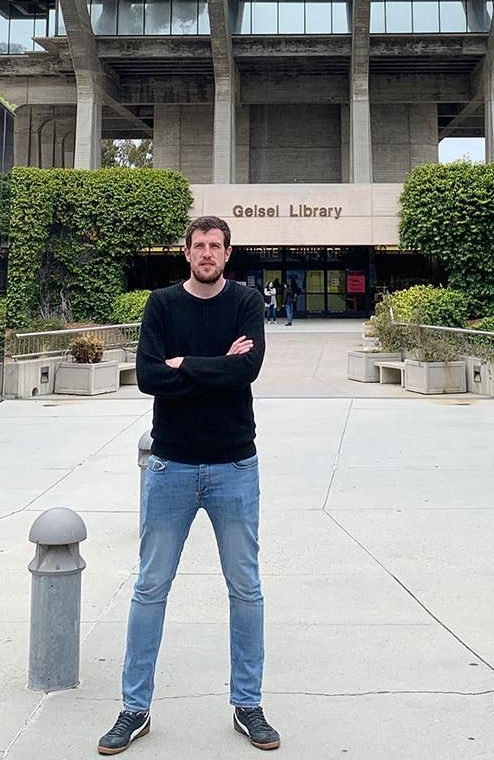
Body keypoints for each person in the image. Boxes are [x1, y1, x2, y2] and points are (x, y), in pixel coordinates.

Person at [98, 215, 278, 755]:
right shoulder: (161, 304)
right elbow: (149, 378)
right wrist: (216, 365)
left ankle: (248, 704)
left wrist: (184, 366)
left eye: (214, 246)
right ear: (186, 253)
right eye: (198, 245)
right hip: (170, 466)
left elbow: (247, 372)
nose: (206, 253)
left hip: (233, 466)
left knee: (245, 589)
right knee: (150, 588)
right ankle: (134, 709)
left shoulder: (245, 302)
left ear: (227, 253)